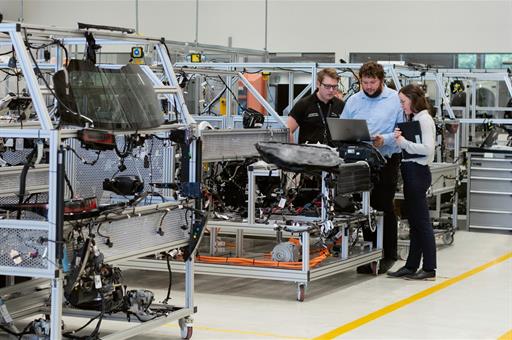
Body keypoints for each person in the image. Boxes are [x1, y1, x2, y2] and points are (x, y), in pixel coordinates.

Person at [341, 61, 403, 274]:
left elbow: (401, 130)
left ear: (381, 80)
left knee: (383, 204)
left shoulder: (394, 99)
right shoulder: (353, 101)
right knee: (364, 207)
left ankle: (388, 254)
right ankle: (370, 253)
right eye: (364, 82)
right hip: (360, 160)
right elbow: (343, 126)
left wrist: (383, 139)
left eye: (372, 82)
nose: (368, 86)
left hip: (387, 158)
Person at [387, 84, 437, 280]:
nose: (402, 106)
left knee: (422, 222)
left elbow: (427, 149)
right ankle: (411, 265)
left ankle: (430, 268)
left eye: (403, 102)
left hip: (418, 172)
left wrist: (403, 143)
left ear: (413, 100)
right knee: (415, 222)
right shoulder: (415, 119)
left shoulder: (424, 119)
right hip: (410, 171)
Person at [287, 68, 345, 144]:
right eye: (327, 86)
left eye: (334, 87)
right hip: (309, 153)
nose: (331, 90)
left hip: (334, 153)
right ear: (318, 84)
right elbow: (288, 130)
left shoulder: (340, 105)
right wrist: (293, 150)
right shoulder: (304, 104)